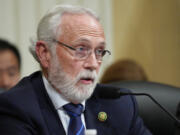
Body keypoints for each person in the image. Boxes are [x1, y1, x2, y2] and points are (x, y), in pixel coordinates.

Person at [0, 5, 152, 135]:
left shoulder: (119, 105)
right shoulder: (15, 108)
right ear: (45, 54)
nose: (93, 63)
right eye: (80, 49)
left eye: (99, 51)